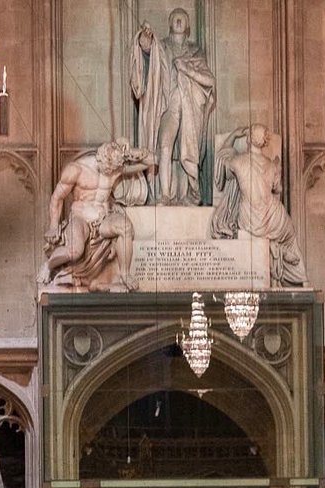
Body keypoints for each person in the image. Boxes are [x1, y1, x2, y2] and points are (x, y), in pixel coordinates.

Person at [37, 140, 157, 290]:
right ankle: (49, 265)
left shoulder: (115, 168)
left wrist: (130, 152)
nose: (112, 173)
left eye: (115, 169)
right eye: (109, 169)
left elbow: (152, 160)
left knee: (124, 226)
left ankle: (125, 274)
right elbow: (57, 197)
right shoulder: (77, 170)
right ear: (101, 159)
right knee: (75, 251)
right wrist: (53, 226)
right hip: (80, 219)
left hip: (103, 219)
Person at [129, 9, 216, 206]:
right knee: (165, 145)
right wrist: (144, 39)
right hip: (168, 104)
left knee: (187, 150)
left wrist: (187, 69)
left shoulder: (195, 50)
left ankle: (190, 193)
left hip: (189, 106)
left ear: (188, 25)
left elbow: (209, 80)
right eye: (175, 17)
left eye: (182, 17)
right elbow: (148, 53)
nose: (178, 20)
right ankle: (165, 195)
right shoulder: (163, 46)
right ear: (169, 23)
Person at [209, 125, 305, 285]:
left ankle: (276, 253)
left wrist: (233, 135)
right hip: (272, 217)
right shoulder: (271, 165)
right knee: (290, 235)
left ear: (248, 139)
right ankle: (286, 259)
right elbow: (278, 189)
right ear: (265, 142)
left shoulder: (237, 161)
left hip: (249, 218)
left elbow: (222, 157)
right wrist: (277, 168)